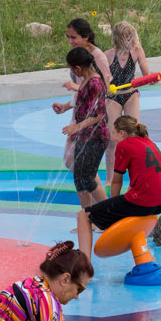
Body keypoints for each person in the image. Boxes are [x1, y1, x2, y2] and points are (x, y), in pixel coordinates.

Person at [76, 115, 161, 262]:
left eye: (114, 133)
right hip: (160, 203)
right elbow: (139, 180)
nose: (112, 137)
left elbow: (116, 182)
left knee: (83, 216)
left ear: (122, 133)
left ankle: (84, 266)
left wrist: (113, 207)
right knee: (125, 202)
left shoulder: (125, 145)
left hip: (142, 202)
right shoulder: (149, 143)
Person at [52, 47, 109, 210]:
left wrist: (76, 127)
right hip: (84, 136)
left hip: (97, 137)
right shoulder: (86, 81)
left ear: (77, 68)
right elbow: (82, 102)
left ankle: (108, 216)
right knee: (79, 178)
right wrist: (65, 107)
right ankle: (88, 217)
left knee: (87, 178)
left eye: (71, 69)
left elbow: (99, 114)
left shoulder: (95, 83)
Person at [103, 21, 151, 173]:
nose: (132, 40)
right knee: (112, 139)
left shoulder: (137, 51)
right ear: (119, 38)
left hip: (130, 94)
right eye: (128, 37)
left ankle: (135, 173)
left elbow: (146, 74)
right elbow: (101, 80)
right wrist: (106, 87)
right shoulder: (108, 55)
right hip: (113, 97)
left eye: (132, 36)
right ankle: (111, 178)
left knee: (133, 135)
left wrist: (150, 79)